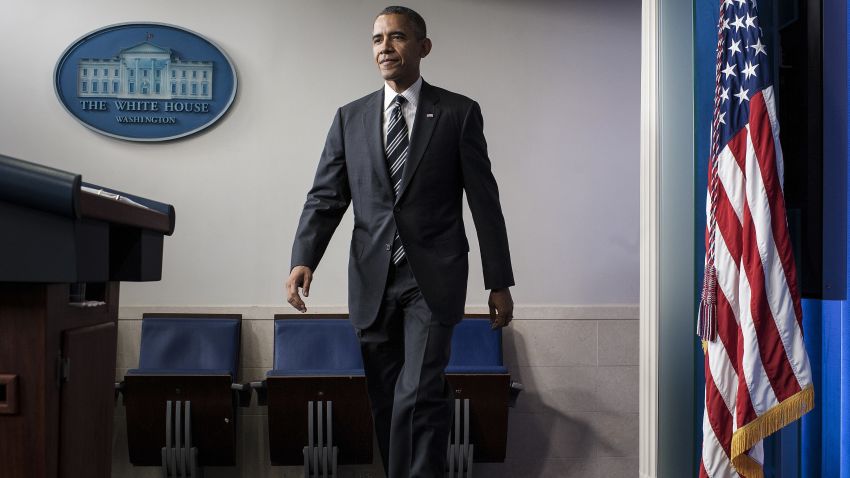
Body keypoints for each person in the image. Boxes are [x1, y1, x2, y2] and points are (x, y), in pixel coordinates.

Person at [285, 6, 515, 477]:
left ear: (423, 47)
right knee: (388, 399)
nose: (385, 47)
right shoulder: (349, 118)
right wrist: (303, 258)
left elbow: (484, 202)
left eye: (397, 37)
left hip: (432, 278)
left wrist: (498, 281)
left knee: (419, 392)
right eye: (377, 39)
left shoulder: (458, 112)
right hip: (371, 279)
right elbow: (326, 196)